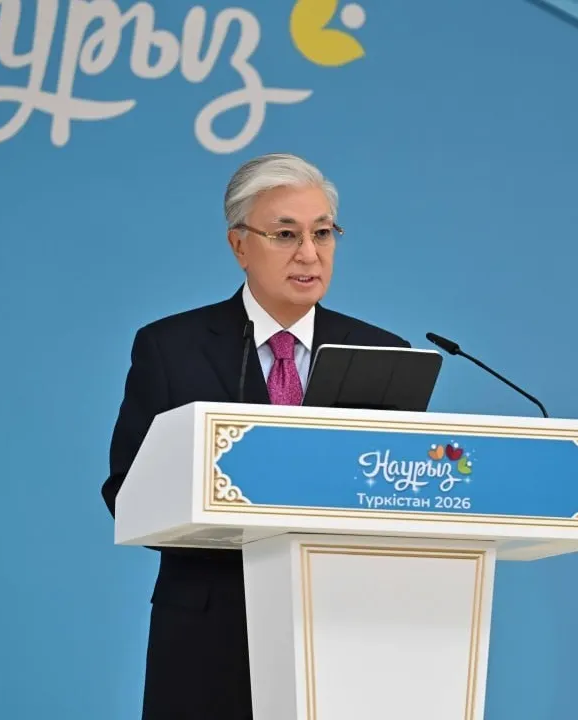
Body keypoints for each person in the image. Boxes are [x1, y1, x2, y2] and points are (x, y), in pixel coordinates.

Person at [100, 153, 410, 719]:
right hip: (210, 632)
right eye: (286, 234)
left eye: (322, 233)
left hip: (343, 627)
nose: (309, 253)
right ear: (239, 245)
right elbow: (126, 491)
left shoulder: (382, 352)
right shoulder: (172, 348)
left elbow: (396, 490)